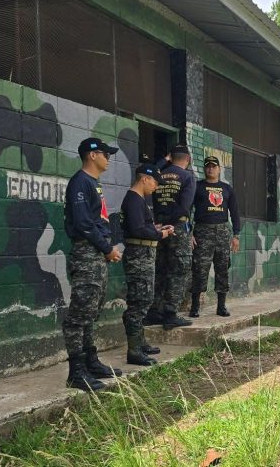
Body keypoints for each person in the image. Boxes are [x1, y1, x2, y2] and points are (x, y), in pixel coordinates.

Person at [62, 137, 122, 391]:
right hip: (88, 253)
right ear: (93, 155)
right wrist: (107, 248)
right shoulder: (80, 182)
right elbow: (84, 223)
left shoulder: (92, 183)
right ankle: (76, 371)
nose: (109, 158)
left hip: (96, 253)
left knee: (91, 310)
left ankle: (91, 361)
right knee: (79, 314)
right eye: (106, 154)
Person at [121, 164, 175, 366]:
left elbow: (141, 226)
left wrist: (157, 228)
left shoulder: (139, 200)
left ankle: (140, 343)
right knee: (138, 302)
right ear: (144, 179)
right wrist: (160, 234)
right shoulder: (134, 199)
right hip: (139, 255)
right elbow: (137, 230)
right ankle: (134, 350)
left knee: (144, 299)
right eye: (154, 181)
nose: (156, 186)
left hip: (144, 253)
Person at [145, 144, 196, 332]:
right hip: (176, 228)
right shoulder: (188, 177)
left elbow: (150, 173)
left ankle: (153, 311)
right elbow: (184, 207)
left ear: (171, 157)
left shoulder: (158, 174)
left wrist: (163, 161)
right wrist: (173, 224)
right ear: (187, 159)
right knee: (180, 269)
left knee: (160, 267)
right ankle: (170, 313)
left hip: (158, 227)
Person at [191, 156, 240, 317]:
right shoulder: (197, 187)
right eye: (208, 166)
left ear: (219, 169)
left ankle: (221, 306)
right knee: (199, 269)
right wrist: (188, 233)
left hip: (222, 232)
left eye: (214, 166)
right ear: (205, 169)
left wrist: (236, 235)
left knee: (223, 269)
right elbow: (187, 210)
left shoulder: (227, 189)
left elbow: (234, 213)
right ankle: (195, 306)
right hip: (202, 232)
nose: (210, 169)